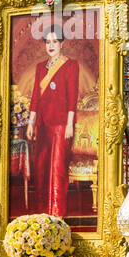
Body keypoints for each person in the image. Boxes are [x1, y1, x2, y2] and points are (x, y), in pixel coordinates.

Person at [26, 24, 79, 218]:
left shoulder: (70, 65)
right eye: (48, 42)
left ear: (62, 43)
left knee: (57, 169)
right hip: (42, 125)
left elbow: (72, 95)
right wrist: (31, 123)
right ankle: (42, 214)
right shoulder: (41, 67)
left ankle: (57, 214)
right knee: (41, 169)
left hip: (61, 125)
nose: (51, 45)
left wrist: (70, 124)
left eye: (55, 41)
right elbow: (35, 97)